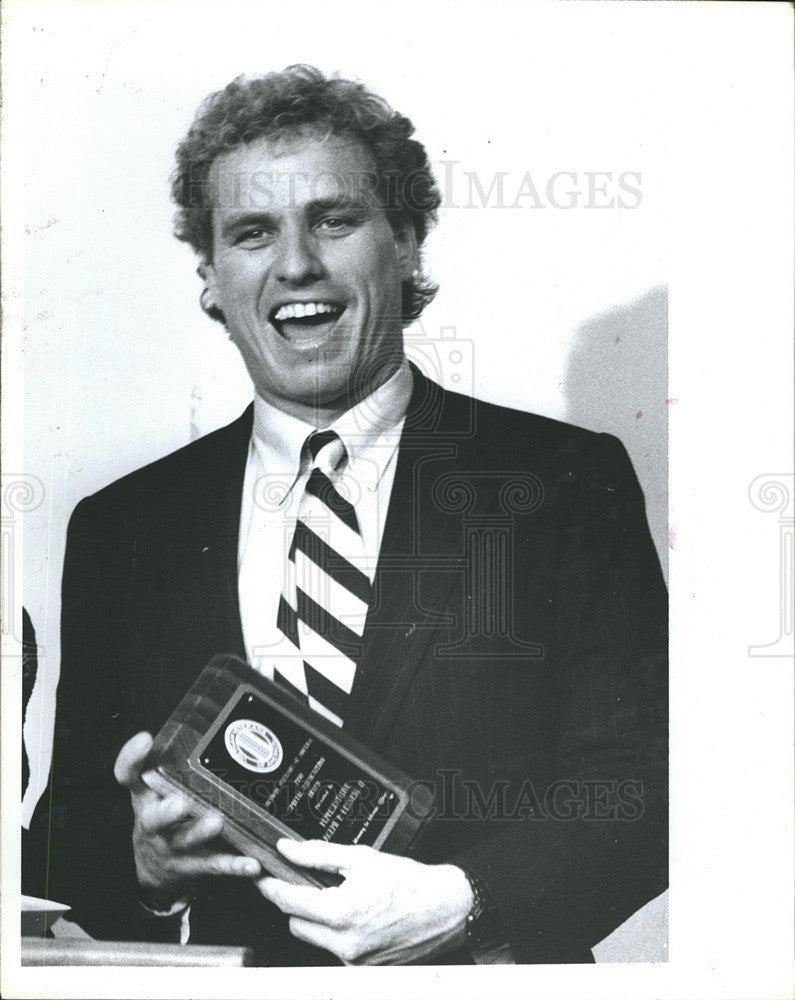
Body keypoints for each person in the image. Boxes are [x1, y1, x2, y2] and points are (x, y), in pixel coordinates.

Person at [26, 65, 668, 966]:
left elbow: (646, 785)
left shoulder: (561, 481)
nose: (296, 264)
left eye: (335, 219)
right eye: (252, 232)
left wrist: (463, 899)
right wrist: (143, 862)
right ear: (210, 278)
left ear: (406, 244)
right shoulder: (125, 526)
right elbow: (66, 830)